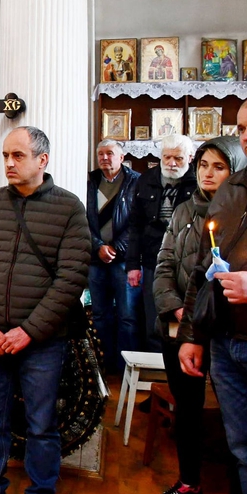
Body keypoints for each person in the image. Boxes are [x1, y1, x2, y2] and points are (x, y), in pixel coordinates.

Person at [0, 127, 91, 494]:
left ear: (42, 160)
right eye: (5, 156)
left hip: (42, 340)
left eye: (18, 156)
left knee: (41, 425)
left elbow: (72, 278)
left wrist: (29, 331)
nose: (9, 163)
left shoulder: (69, 208)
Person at [179, 93, 247, 494]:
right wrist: (193, 335)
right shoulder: (234, 186)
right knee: (244, 454)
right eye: (242, 128)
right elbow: (205, 264)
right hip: (224, 340)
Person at [148, 136, 247, 494]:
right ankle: (189, 486)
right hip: (178, 328)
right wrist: (175, 307)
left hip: (226, 331)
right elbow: (164, 264)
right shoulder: (185, 209)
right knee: (187, 411)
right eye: (203, 165)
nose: (207, 173)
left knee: (236, 418)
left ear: (236, 170)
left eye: (218, 166)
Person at [127, 134, 197, 354]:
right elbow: (135, 225)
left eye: (178, 158)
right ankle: (156, 370)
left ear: (190, 157)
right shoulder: (146, 179)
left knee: (185, 315)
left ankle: (181, 366)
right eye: (167, 157)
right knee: (154, 314)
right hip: (152, 259)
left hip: (187, 261)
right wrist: (132, 265)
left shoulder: (198, 181)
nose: (172, 163)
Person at [85, 139, 140, 375]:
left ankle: (126, 367)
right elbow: (82, 219)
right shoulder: (89, 180)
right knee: (100, 314)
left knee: (128, 316)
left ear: (121, 156)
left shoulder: (136, 182)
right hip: (96, 259)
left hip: (124, 259)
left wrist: (116, 246)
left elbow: (139, 221)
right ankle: (104, 364)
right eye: (101, 154)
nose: (105, 158)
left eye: (110, 153)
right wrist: (97, 246)